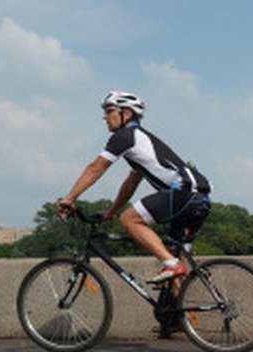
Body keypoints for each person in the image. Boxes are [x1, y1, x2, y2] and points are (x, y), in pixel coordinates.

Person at [57, 90, 211, 335]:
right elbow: (132, 183)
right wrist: (110, 211)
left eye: (109, 112)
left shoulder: (125, 136)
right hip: (199, 198)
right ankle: (176, 319)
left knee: (130, 220)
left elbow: (96, 168)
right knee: (172, 251)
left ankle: (171, 264)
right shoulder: (140, 142)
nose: (105, 118)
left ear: (126, 114)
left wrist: (70, 198)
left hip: (182, 192)